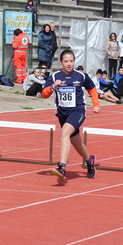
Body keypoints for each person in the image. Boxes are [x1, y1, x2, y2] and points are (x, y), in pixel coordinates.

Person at [41, 49, 100, 181]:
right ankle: (90, 161)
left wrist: (96, 104)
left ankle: (62, 167)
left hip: (78, 110)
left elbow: (92, 88)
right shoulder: (55, 76)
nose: (69, 64)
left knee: (64, 133)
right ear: (61, 62)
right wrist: (52, 87)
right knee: (77, 143)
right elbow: (43, 94)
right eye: (66, 61)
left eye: (71, 61)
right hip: (63, 113)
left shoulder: (81, 75)